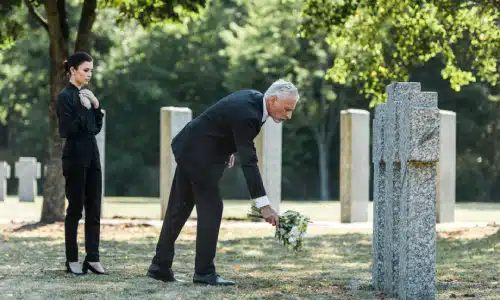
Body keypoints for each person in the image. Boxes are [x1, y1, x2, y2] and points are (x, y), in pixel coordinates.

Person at [147, 79, 299, 286]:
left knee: (178, 208)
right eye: (287, 109)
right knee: (212, 208)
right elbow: (249, 161)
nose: (289, 115)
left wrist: (228, 149)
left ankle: (159, 267)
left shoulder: (254, 100)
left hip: (191, 147)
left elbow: (223, 125)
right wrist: (264, 205)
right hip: (198, 155)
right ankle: (204, 273)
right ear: (273, 100)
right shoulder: (249, 113)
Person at [56, 52, 106, 275]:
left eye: (91, 70)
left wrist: (95, 106)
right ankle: (72, 259)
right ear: (73, 70)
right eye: (86, 70)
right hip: (75, 156)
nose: (89, 74)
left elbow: (95, 128)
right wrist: (83, 108)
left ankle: (93, 258)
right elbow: (68, 130)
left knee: (94, 208)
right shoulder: (65, 97)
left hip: (92, 156)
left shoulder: (87, 94)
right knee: (75, 208)